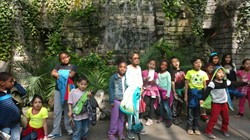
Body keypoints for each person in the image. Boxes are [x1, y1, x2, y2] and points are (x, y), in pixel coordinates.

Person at [202, 66, 249, 139]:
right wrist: (202, 99)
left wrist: (245, 83)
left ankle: (224, 129)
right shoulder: (212, 83)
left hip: (224, 104)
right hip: (216, 104)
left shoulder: (225, 82)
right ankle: (208, 131)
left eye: (223, 72)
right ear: (215, 73)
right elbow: (207, 92)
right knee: (214, 118)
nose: (221, 74)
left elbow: (235, 83)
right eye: (219, 72)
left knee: (226, 118)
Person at [48, 52, 77, 138]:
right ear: (60, 59)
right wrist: (65, 74)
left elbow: (71, 75)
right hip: (58, 91)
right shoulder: (58, 65)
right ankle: (56, 131)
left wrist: (59, 74)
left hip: (69, 91)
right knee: (57, 111)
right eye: (62, 58)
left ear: (69, 57)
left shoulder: (73, 66)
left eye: (66, 57)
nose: (64, 59)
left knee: (68, 110)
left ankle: (69, 129)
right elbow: (53, 73)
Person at [125, 51, 146, 139]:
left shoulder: (139, 68)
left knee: (137, 110)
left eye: (138, 58)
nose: (137, 60)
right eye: (135, 58)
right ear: (130, 59)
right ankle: (129, 129)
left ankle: (137, 127)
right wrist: (134, 88)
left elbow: (140, 79)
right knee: (130, 111)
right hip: (130, 92)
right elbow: (127, 81)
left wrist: (141, 88)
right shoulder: (128, 68)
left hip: (138, 92)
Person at [184, 57, 208, 135]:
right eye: (196, 62)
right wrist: (186, 96)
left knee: (197, 112)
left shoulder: (204, 73)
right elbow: (186, 85)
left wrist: (205, 97)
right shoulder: (189, 72)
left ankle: (196, 127)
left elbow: (205, 86)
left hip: (200, 94)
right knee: (190, 112)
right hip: (191, 93)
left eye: (200, 62)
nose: (198, 64)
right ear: (193, 64)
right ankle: (189, 127)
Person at [108, 60, 127, 140]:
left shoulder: (127, 77)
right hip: (116, 100)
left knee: (121, 118)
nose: (122, 69)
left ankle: (120, 132)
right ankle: (111, 133)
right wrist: (112, 101)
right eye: (121, 67)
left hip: (124, 100)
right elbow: (111, 89)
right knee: (115, 117)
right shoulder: (114, 77)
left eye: (124, 67)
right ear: (118, 68)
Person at [0, 72, 22, 140]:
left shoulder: (10, 91)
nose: (12, 83)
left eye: (13, 81)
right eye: (10, 81)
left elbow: (23, 92)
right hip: (4, 125)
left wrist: (15, 83)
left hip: (15, 122)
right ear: (2, 83)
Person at [140, 59, 160, 126]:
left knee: (152, 105)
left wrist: (155, 81)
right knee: (145, 104)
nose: (151, 65)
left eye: (153, 64)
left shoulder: (155, 74)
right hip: (146, 90)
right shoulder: (144, 72)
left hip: (153, 91)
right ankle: (140, 117)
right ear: (147, 64)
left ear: (155, 66)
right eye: (150, 64)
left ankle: (150, 119)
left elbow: (157, 83)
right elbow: (142, 81)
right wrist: (145, 80)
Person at [157, 59, 173, 128]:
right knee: (161, 105)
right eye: (162, 64)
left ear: (167, 67)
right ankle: (161, 116)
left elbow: (169, 84)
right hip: (159, 91)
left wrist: (168, 94)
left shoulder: (167, 74)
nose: (163, 66)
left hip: (165, 92)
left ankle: (169, 119)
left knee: (166, 106)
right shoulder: (158, 73)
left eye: (165, 65)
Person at [170, 56, 185, 125]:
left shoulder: (183, 70)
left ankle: (179, 117)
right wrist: (174, 91)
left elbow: (186, 80)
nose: (176, 63)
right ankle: (174, 117)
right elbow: (172, 82)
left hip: (183, 90)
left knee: (180, 104)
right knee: (175, 104)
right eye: (173, 62)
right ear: (171, 64)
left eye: (177, 61)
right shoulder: (172, 71)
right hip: (176, 90)